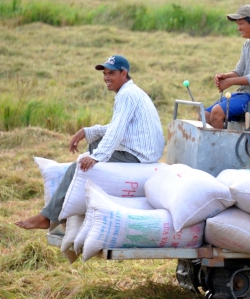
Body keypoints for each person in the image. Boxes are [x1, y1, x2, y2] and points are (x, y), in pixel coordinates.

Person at [15, 55, 165, 230]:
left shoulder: (127, 95)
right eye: (105, 74)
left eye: (112, 74)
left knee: (78, 167)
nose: (106, 78)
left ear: (124, 73)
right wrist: (88, 132)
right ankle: (66, 211)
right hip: (141, 149)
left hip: (139, 154)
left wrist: (97, 157)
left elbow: (117, 130)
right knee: (94, 144)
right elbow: (119, 127)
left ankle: (47, 217)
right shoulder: (131, 92)